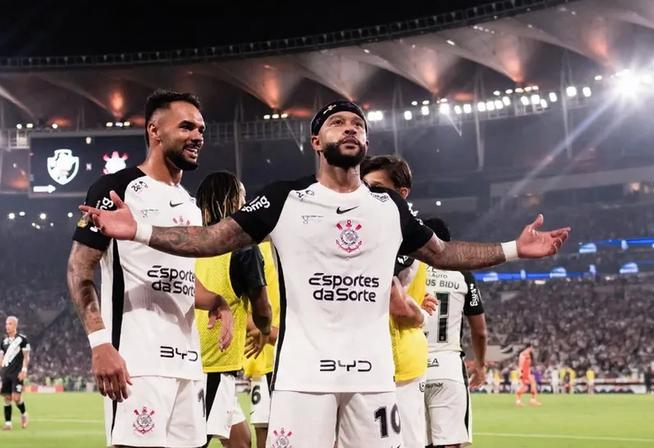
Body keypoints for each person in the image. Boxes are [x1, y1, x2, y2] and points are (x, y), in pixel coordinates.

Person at [79, 99, 570, 447]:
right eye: (338, 123)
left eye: (357, 124)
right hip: (300, 380)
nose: (350, 129)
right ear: (317, 140)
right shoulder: (284, 197)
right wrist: (140, 229)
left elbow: (443, 253)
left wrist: (512, 249)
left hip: (374, 380)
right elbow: (212, 239)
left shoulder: (387, 207)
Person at [67, 90, 233, 448]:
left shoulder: (190, 205)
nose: (198, 136)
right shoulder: (118, 189)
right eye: (186, 127)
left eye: (201, 129)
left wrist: (217, 301)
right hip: (137, 362)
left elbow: (179, 280)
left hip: (188, 366)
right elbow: (79, 269)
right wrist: (100, 344)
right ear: (155, 131)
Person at [193, 172, 273, 448]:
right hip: (214, 363)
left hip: (197, 357)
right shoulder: (243, 248)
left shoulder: (191, 243)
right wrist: (264, 329)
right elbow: (262, 308)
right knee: (193, 442)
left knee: (240, 441)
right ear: (233, 201)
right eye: (242, 196)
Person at [361, 154, 435, 448]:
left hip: (393, 360)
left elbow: (396, 303)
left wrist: (421, 315)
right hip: (398, 358)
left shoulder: (400, 237)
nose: (369, 193)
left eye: (377, 187)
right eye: (365, 186)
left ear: (402, 194)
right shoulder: (415, 234)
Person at [422, 217, 488, 448]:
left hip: (411, 366)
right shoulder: (462, 275)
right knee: (451, 443)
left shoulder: (409, 271)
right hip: (448, 365)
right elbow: (479, 331)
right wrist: (480, 365)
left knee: (414, 440)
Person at [244, 239, 281, 448]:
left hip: (287, 357)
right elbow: (236, 307)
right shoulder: (253, 251)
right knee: (265, 428)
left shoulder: (289, 253)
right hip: (261, 357)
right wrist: (273, 333)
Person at [1, 316, 30, 430]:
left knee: (16, 398)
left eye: (10, 324)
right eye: (6, 324)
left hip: (17, 373)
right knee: (7, 397)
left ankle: (24, 414)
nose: (7, 326)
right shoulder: (3, 341)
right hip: (6, 373)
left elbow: (26, 356)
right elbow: (1, 357)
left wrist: (24, 370)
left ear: (15, 326)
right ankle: (8, 423)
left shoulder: (22, 339)